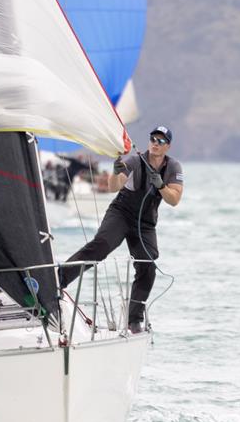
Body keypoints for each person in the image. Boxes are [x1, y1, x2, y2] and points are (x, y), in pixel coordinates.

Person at [59, 125, 183, 333]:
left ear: (167, 146)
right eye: (153, 138)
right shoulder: (135, 160)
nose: (155, 143)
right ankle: (59, 279)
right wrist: (116, 173)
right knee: (100, 247)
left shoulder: (173, 167)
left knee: (148, 266)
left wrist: (161, 186)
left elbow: (175, 200)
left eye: (160, 141)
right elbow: (113, 186)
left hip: (144, 223)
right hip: (121, 213)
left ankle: (134, 319)